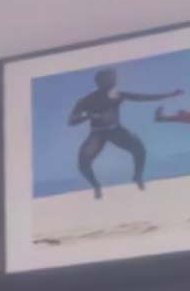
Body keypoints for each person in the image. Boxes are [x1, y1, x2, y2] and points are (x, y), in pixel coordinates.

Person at [66, 66, 181, 196]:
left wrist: (169, 94)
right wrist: (88, 116)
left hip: (116, 130)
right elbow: (71, 121)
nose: (114, 81)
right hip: (97, 133)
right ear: (100, 82)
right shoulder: (86, 100)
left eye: (114, 78)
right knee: (83, 162)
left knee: (139, 148)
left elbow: (142, 97)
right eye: (110, 78)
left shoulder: (118, 95)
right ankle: (96, 186)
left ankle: (137, 177)